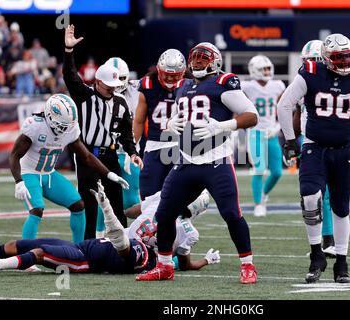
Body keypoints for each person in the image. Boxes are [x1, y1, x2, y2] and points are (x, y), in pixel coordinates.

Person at [136, 42, 259, 284]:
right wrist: (171, 123)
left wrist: (223, 125)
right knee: (164, 214)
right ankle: (164, 266)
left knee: (232, 214)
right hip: (186, 161)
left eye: (203, 59)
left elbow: (251, 115)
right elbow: (181, 116)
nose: (198, 63)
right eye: (195, 59)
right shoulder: (185, 86)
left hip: (216, 160)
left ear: (215, 62)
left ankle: (248, 265)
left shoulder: (224, 82)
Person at [277, 34, 350, 283]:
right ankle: (317, 255)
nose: (345, 61)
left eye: (348, 55)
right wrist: (291, 141)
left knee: (340, 207)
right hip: (315, 147)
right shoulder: (312, 71)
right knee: (310, 198)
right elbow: (285, 104)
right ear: (326, 58)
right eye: (338, 57)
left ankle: (342, 263)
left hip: (343, 149)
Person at [8, 94, 129, 244]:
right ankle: (25, 256)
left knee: (78, 205)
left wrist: (109, 174)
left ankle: (80, 249)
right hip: (29, 174)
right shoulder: (35, 126)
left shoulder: (70, 129)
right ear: (50, 115)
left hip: (49, 174)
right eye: (62, 125)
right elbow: (14, 155)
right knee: (37, 210)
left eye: (68, 125)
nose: (65, 129)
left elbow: (87, 156)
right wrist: (19, 181)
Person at [63, 25, 142, 239]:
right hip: (88, 154)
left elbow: (126, 133)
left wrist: (133, 153)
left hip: (111, 154)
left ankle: (122, 245)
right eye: (108, 85)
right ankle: (88, 245)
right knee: (89, 200)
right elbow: (70, 77)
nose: (112, 89)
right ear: (97, 82)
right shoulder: (85, 95)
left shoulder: (120, 101)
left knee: (115, 199)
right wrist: (69, 51)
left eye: (114, 86)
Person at [0, 181, 155, 276]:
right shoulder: (140, 242)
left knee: (40, 253)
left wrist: (107, 209)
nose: (147, 228)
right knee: (20, 245)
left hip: (83, 260)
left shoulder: (144, 254)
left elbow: (120, 242)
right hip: (79, 247)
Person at [132, 49, 210, 220]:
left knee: (187, 198)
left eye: (174, 76)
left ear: (183, 73)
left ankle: (180, 234)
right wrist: (132, 148)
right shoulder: (148, 85)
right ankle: (149, 237)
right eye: (166, 75)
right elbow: (138, 120)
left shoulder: (193, 84)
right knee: (149, 200)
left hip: (182, 147)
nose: (169, 79)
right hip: (154, 146)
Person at [295, 40, 335, 257]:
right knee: (312, 194)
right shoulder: (303, 80)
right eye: (307, 61)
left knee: (329, 194)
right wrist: (291, 142)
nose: (310, 66)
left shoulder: (333, 82)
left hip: (329, 140)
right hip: (308, 141)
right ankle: (322, 241)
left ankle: (329, 240)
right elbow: (295, 110)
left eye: (314, 61)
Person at [94, 57, 141, 238]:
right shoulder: (96, 94)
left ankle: (135, 237)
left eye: (121, 78)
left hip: (130, 151)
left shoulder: (138, 89)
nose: (117, 83)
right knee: (102, 197)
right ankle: (98, 238)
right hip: (106, 151)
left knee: (131, 201)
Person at [124, 191, 220, 271]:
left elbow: (129, 213)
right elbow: (185, 266)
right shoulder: (190, 233)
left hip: (122, 242)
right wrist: (207, 260)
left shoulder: (163, 196)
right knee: (173, 261)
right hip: (139, 260)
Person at [241, 55, 285, 217]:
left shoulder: (278, 85)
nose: (266, 71)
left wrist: (278, 125)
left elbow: (284, 107)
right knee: (258, 170)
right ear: (254, 70)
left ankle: (264, 194)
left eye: (268, 68)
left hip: (271, 132)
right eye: (263, 69)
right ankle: (258, 204)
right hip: (254, 132)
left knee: (277, 172)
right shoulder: (247, 86)